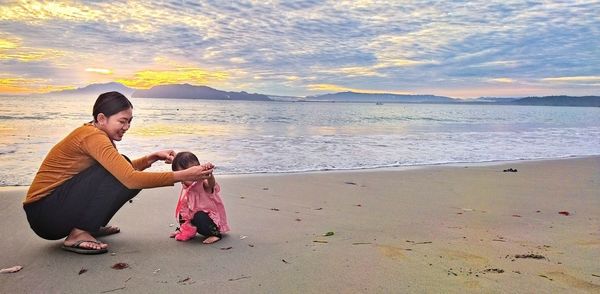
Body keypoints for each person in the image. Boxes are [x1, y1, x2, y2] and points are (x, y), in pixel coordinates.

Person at [23, 91, 214, 254]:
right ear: (101, 118)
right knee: (122, 174)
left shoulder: (97, 134)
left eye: (129, 122)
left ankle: (88, 226)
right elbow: (129, 178)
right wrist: (185, 175)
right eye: (122, 121)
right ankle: (78, 234)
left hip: (54, 212)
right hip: (45, 213)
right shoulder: (92, 136)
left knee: (120, 167)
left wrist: (151, 158)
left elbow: (124, 171)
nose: (127, 127)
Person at [170, 151, 229, 244]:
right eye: (181, 175)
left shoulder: (203, 181)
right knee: (182, 212)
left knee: (199, 216)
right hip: (191, 212)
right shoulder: (185, 183)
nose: (182, 179)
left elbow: (211, 185)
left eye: (188, 175)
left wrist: (209, 175)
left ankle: (215, 234)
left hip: (207, 217)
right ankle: (184, 230)